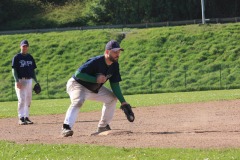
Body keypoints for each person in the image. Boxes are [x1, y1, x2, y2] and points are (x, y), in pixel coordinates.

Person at [61, 40, 130, 137]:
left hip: (93, 88)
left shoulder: (115, 65)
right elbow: (78, 74)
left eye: (118, 52)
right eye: (115, 52)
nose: (117, 54)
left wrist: (123, 102)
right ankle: (66, 127)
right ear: (107, 52)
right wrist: (95, 79)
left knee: (112, 98)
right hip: (77, 85)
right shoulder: (96, 61)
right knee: (78, 101)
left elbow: (115, 84)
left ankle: (103, 126)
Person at [12, 40, 39, 125]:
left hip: (29, 80)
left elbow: (33, 71)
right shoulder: (17, 57)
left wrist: (36, 81)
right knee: (21, 99)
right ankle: (21, 117)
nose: (24, 47)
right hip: (20, 80)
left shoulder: (30, 57)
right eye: (23, 46)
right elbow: (14, 70)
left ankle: (26, 117)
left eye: (26, 46)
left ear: (28, 47)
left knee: (28, 99)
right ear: (20, 46)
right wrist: (16, 81)